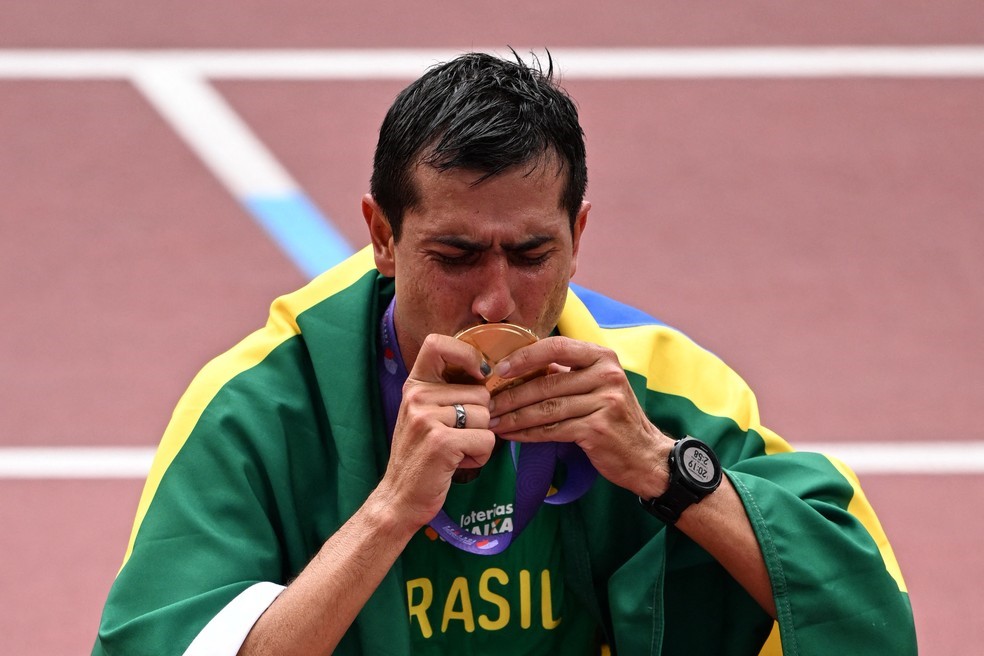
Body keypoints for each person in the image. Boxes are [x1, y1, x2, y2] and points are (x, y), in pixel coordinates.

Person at [92, 52, 916, 655]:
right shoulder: (260, 404)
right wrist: (387, 514)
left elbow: (868, 619)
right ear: (383, 235)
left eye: (531, 255)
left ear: (578, 234)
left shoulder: (664, 386)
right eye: (454, 257)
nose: (495, 300)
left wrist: (667, 472)